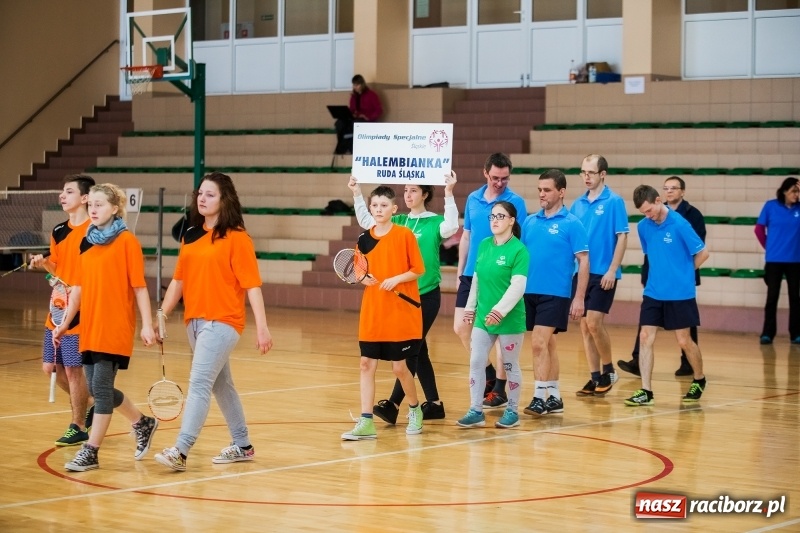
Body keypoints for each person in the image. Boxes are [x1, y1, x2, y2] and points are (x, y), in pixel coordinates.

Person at [154, 172, 274, 471]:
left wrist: (262, 327)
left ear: (224, 201)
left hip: (224, 321)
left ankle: (180, 451)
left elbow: (252, 285)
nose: (202, 198)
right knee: (222, 386)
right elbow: (179, 280)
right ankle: (243, 445)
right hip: (194, 322)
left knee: (199, 384)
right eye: (200, 193)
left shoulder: (237, 238)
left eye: (210, 194)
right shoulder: (191, 234)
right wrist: (162, 313)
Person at [52, 183, 158, 471]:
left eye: (100, 204)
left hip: (116, 327)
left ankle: (91, 451)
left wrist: (147, 325)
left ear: (115, 208)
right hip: (90, 326)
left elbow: (139, 287)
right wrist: (64, 324)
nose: (94, 209)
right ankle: (142, 421)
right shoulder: (85, 242)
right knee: (100, 391)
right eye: (92, 204)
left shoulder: (127, 242)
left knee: (99, 388)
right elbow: (78, 288)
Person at [349, 172, 459, 423]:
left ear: (425, 194)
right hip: (397, 297)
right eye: (406, 190)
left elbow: (452, 227)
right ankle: (434, 403)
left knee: (411, 352)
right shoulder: (397, 220)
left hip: (425, 295)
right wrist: (357, 193)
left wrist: (450, 193)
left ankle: (394, 404)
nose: (408, 195)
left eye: (413, 190)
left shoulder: (434, 222)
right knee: (419, 351)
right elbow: (369, 221)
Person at [341, 185, 425, 440]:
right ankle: (366, 422)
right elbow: (357, 271)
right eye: (375, 206)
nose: (379, 210)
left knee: (400, 368)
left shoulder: (404, 235)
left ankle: (415, 409)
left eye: (384, 206)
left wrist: (396, 279)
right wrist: (362, 278)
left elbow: (418, 269)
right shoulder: (364, 239)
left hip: (399, 311)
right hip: (373, 311)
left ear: (394, 209)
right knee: (366, 364)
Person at [625, 185, 709, 407]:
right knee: (645, 337)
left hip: (680, 293)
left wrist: (684, 275)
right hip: (653, 292)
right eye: (643, 212)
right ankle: (646, 390)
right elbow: (652, 254)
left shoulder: (680, 224)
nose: (648, 215)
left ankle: (699, 379)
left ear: (658, 200)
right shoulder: (643, 227)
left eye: (649, 210)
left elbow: (703, 253)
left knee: (684, 340)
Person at [454, 153, 528, 409]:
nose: (500, 183)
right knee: (461, 327)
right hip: (474, 273)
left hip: (502, 274)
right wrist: (460, 268)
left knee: (498, 332)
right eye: (495, 178)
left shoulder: (515, 202)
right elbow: (466, 236)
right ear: (486, 173)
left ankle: (499, 388)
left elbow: (520, 241)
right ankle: (486, 374)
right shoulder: (473, 199)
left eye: (505, 178)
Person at [29, 174, 96, 447]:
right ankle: (89, 402)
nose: (61, 196)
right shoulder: (58, 230)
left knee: (72, 371)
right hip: (56, 307)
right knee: (51, 368)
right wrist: (43, 264)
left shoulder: (94, 230)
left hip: (81, 309)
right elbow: (58, 269)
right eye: (62, 191)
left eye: (68, 191)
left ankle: (77, 425)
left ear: (85, 198)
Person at [521, 169, 589, 416]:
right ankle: (555, 397)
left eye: (547, 190)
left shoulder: (572, 224)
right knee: (548, 343)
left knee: (538, 342)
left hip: (556, 293)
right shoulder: (530, 221)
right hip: (530, 292)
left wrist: (579, 297)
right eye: (540, 189)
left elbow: (583, 260)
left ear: (561, 192)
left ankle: (539, 397)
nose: (542, 194)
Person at [570, 155, 627, 397]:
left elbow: (622, 237)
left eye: (591, 172)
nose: (586, 177)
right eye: (583, 172)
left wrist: (613, 269)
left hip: (603, 272)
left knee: (594, 322)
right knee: (584, 327)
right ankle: (595, 378)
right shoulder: (577, 205)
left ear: (602, 174)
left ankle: (608, 370)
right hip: (580, 272)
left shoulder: (614, 201)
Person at [755, 177, 800, 345]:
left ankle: (796, 333)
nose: (796, 195)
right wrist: (770, 247)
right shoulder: (771, 206)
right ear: (784, 191)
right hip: (774, 260)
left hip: (796, 261)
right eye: (793, 191)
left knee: (795, 298)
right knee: (772, 297)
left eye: (798, 191)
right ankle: (767, 333)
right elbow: (759, 229)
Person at [334, 74, 383, 155]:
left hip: (368, 120)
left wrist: (367, 117)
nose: (355, 87)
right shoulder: (354, 97)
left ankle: (355, 148)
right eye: (354, 85)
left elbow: (379, 110)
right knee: (339, 123)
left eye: (357, 85)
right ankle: (342, 147)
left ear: (362, 84)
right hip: (356, 119)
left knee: (355, 124)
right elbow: (352, 109)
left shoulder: (371, 95)